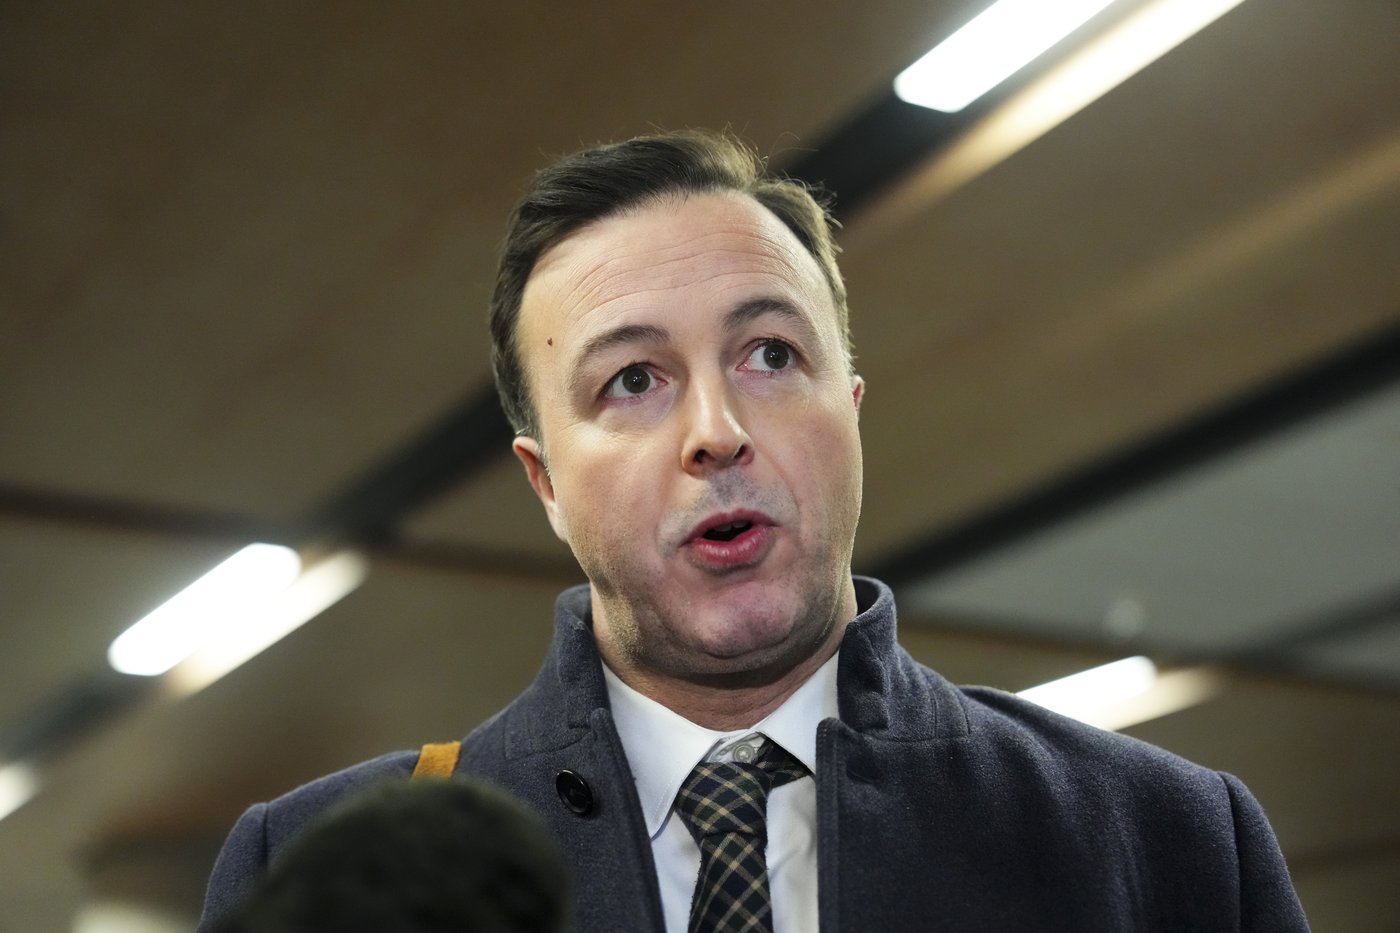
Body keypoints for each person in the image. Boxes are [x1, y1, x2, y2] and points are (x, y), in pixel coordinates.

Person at [199, 130, 1308, 932]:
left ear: (851, 415)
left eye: (769, 355)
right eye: (631, 379)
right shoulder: (303, 873)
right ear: (542, 482)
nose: (715, 432)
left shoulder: (1166, 840)